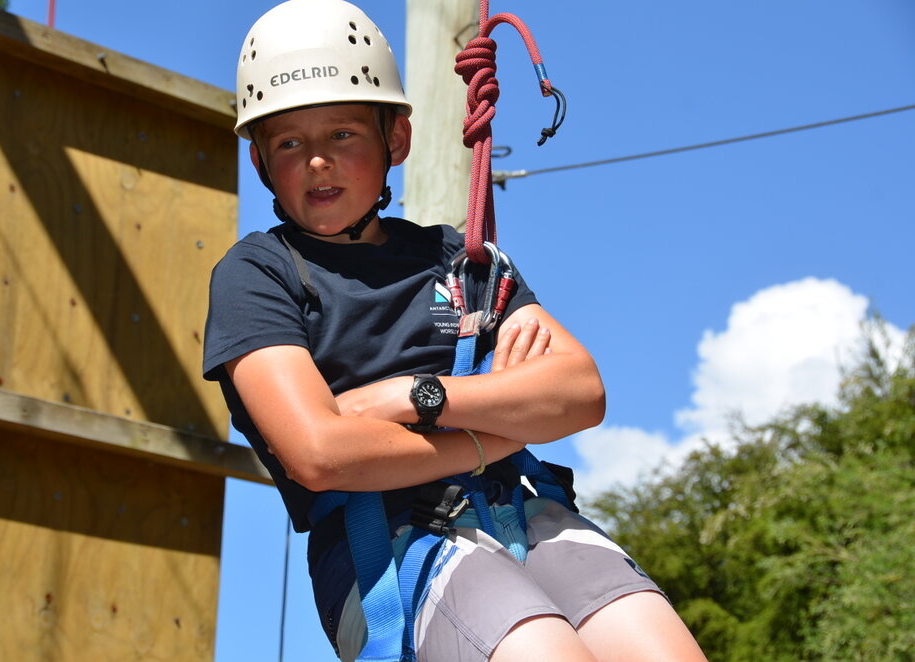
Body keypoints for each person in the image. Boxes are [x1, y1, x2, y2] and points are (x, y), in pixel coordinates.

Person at [203, 1, 709, 660]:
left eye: (343, 134)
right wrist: (494, 433)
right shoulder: (258, 274)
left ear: (396, 139)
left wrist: (416, 397)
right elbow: (320, 453)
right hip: (385, 542)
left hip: (523, 510)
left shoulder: (457, 258)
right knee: (545, 651)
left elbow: (578, 392)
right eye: (289, 144)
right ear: (260, 162)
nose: (318, 162)